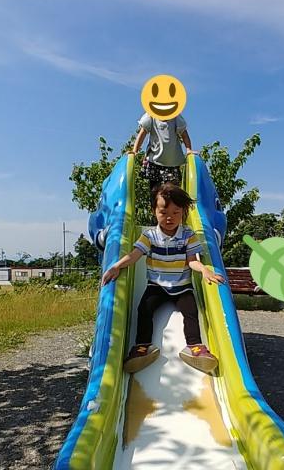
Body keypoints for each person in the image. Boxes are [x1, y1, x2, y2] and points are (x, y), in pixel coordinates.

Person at [101, 183, 225, 374]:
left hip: (182, 286)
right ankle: (142, 347)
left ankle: (195, 348)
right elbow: (134, 255)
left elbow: (192, 261)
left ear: (183, 213)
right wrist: (117, 266)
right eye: (163, 212)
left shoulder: (188, 235)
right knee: (144, 310)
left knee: (191, 312)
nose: (170, 217)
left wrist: (205, 270)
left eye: (176, 213)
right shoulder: (149, 236)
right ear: (154, 211)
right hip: (156, 286)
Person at [129, 112, 197, 192]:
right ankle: (155, 200)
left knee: (172, 191)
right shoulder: (151, 116)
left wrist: (189, 149)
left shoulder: (176, 117)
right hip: (154, 161)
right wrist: (135, 151)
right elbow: (142, 134)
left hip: (172, 163)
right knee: (155, 190)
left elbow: (184, 135)